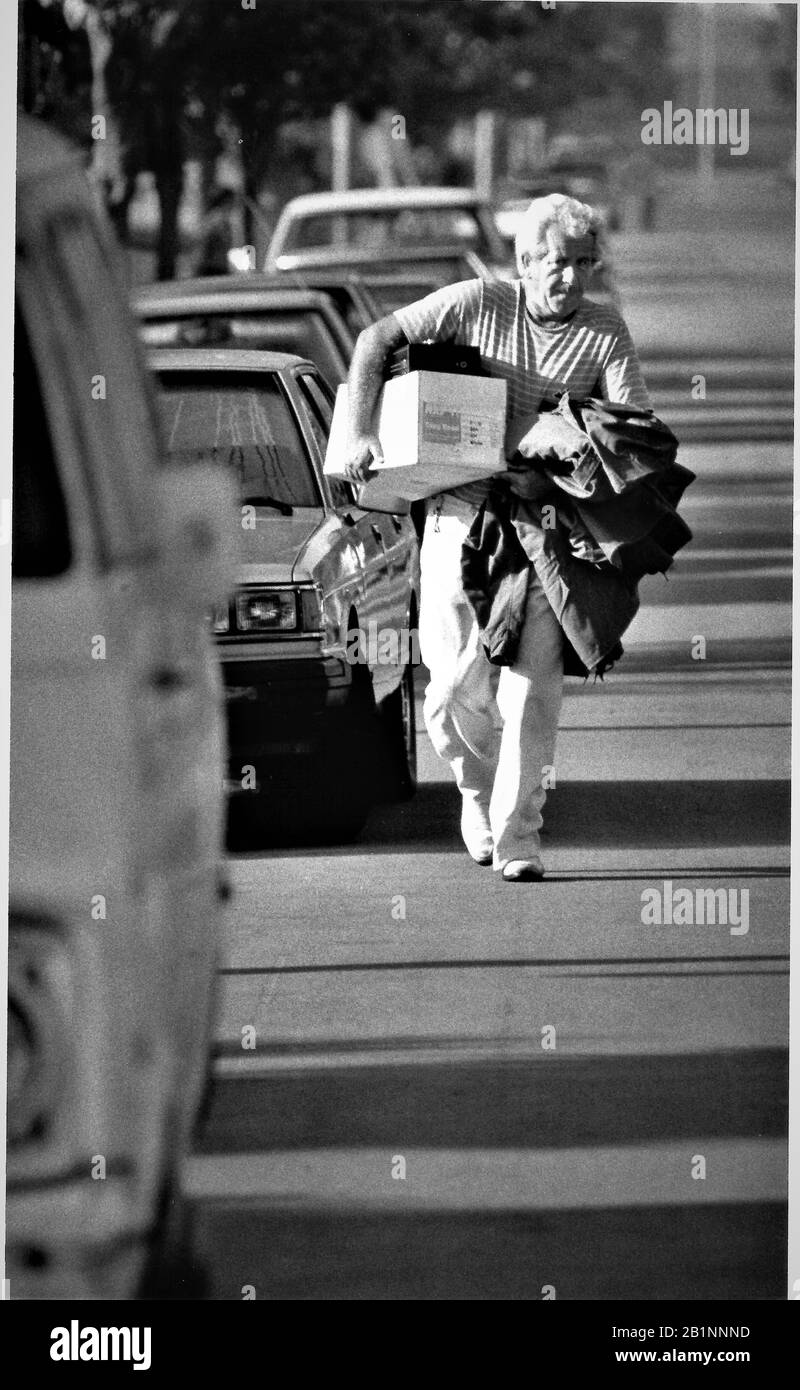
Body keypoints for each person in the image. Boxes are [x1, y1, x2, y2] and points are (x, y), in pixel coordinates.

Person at [344, 193, 650, 882]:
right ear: (524, 261)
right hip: (462, 509)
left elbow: (631, 431)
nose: (570, 278)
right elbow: (375, 341)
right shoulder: (478, 303)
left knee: (530, 690)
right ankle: (476, 793)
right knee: (453, 689)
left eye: (582, 263)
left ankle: (520, 836)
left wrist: (578, 444)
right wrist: (363, 431)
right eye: (555, 263)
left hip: (547, 525)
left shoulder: (606, 333)